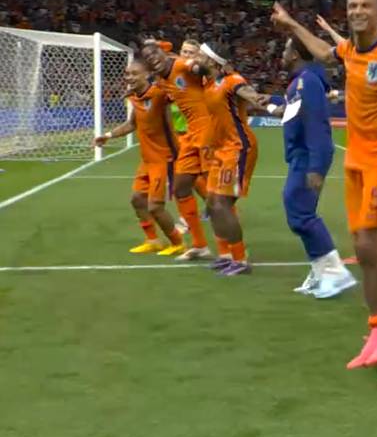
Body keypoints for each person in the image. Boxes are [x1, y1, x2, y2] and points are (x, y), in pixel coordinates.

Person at [273, 0, 377, 369]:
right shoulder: (351, 51)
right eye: (351, 6)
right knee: (362, 247)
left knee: (372, 244)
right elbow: (323, 53)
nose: (357, 11)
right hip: (356, 158)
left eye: (365, 5)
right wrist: (291, 24)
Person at [273, 37, 355, 299]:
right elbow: (297, 115)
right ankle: (321, 272)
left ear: (296, 54)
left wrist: (316, 167)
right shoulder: (301, 82)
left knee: (300, 213)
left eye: (286, 49)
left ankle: (334, 274)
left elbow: (317, 125)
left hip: (308, 157)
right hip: (301, 156)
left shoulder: (307, 82)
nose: (282, 54)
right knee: (298, 211)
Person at [92, 59, 185, 256]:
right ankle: (152, 240)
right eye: (127, 74)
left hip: (165, 159)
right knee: (137, 200)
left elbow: (178, 92)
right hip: (147, 160)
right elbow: (131, 124)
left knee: (155, 207)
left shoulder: (159, 94)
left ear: (147, 75)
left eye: (134, 73)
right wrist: (108, 136)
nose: (129, 77)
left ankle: (177, 242)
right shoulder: (135, 97)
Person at [193, 43, 263, 276]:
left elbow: (249, 93)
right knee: (213, 204)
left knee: (222, 204)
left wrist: (263, 101)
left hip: (238, 148)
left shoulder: (232, 80)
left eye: (200, 56)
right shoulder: (209, 83)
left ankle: (241, 261)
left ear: (213, 62)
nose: (196, 59)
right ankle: (226, 255)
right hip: (221, 150)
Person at [140, 39, 213, 260]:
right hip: (191, 135)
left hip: (209, 129)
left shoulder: (182, 65)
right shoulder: (161, 81)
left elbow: (203, 69)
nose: (153, 61)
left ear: (165, 54)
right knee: (181, 187)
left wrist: (200, 64)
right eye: (148, 61)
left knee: (217, 194)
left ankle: (234, 251)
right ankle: (200, 245)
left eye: (155, 55)